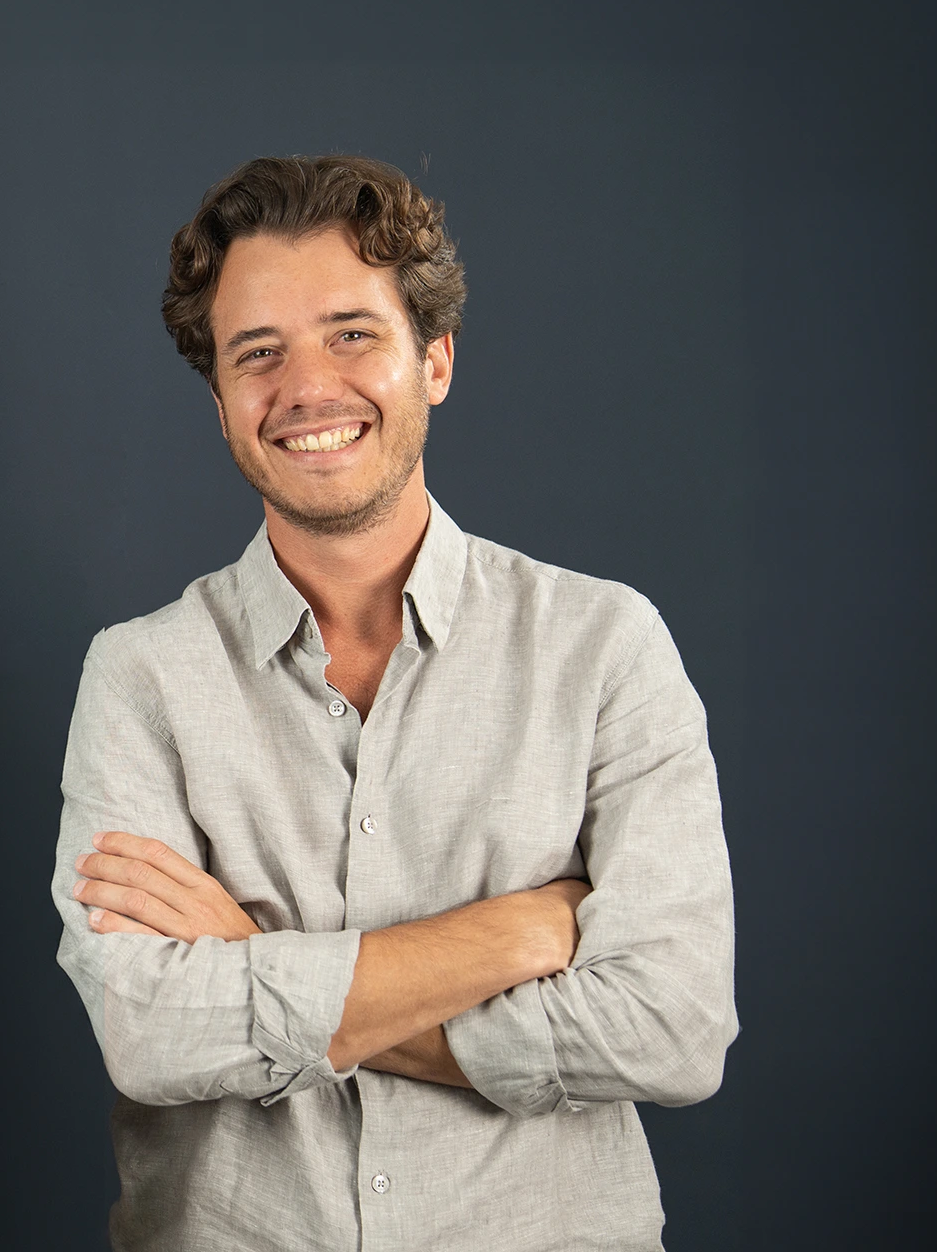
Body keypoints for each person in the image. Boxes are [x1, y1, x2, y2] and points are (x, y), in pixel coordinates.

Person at [52, 154, 737, 1251]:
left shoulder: (604, 645)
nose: (307, 385)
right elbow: (149, 1031)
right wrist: (515, 932)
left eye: (352, 333)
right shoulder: (140, 675)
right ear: (222, 400)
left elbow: (671, 1030)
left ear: (436, 361)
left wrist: (255, 964)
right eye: (257, 351)